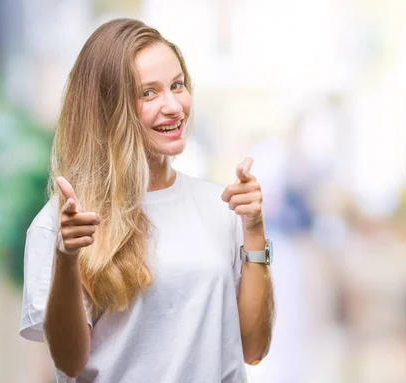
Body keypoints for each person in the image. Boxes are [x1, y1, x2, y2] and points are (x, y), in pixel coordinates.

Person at [19, 18, 275, 383]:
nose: (174, 106)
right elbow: (70, 361)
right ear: (108, 108)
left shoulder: (222, 208)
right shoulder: (61, 224)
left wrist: (254, 229)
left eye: (177, 85)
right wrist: (66, 257)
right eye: (148, 93)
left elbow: (254, 348)